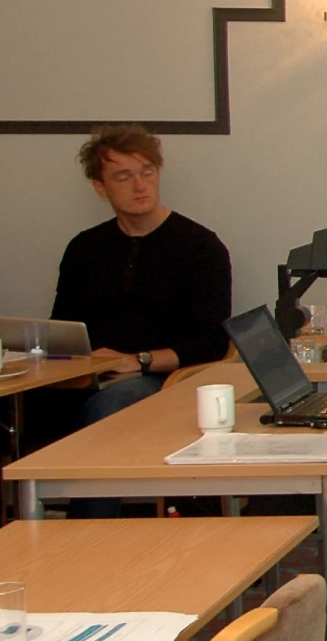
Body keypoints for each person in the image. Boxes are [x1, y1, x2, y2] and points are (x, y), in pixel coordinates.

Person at [53, 124, 232, 431]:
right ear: (100, 186)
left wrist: (140, 360)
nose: (140, 185)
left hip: (164, 377)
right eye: (123, 176)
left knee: (109, 406)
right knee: (10, 407)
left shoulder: (200, 246)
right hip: (94, 375)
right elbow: (63, 329)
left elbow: (213, 343)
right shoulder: (85, 248)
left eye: (147, 172)